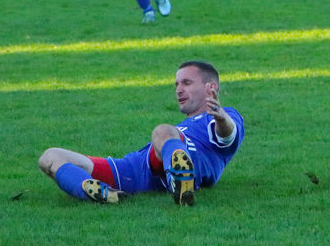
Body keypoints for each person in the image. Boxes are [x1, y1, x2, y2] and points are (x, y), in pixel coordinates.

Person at [38, 60, 244, 207]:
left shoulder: (224, 116)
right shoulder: (184, 124)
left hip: (181, 160)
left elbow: (228, 136)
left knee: (163, 131)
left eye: (186, 83)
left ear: (211, 87)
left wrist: (221, 117)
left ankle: (180, 179)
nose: (178, 90)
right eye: (176, 84)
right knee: (50, 157)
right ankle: (101, 192)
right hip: (136, 168)